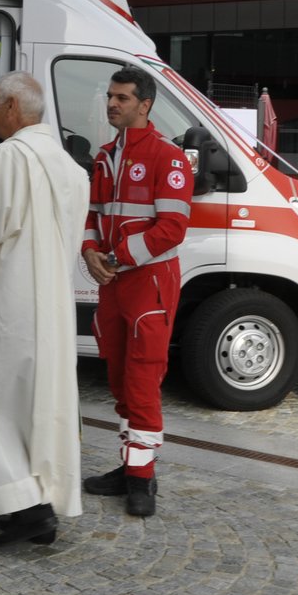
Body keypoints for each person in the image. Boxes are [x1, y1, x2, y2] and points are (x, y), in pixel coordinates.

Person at [0, 72, 87, 548]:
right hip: (53, 305)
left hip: (9, 301)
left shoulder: (9, 157)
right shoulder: (71, 168)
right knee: (40, 406)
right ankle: (31, 503)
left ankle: (28, 511)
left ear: (12, 106)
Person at [80, 67, 193, 517]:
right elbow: (92, 214)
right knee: (118, 377)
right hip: (115, 283)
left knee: (143, 378)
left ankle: (143, 480)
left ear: (144, 105)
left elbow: (173, 229)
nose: (112, 104)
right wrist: (89, 251)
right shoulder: (105, 155)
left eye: (122, 98)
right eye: (110, 96)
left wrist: (116, 256)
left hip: (148, 283)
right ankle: (130, 467)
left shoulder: (169, 157)